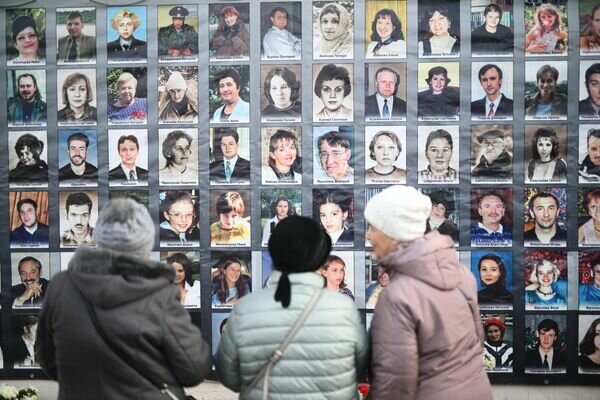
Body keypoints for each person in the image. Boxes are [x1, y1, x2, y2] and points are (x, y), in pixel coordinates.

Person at [37, 198, 211, 398]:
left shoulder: (61, 286)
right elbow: (193, 369)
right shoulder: (159, 294)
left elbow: (49, 362)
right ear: (145, 241)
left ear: (100, 237)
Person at [216, 215, 367, 398]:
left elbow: (227, 374)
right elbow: (359, 368)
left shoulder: (245, 308)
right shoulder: (344, 309)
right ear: (320, 257)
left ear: (273, 252)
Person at [365, 185, 492, 400]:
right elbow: (476, 341)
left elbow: (394, 383)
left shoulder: (397, 295)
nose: (368, 235)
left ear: (393, 233)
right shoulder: (461, 275)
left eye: (373, 228)